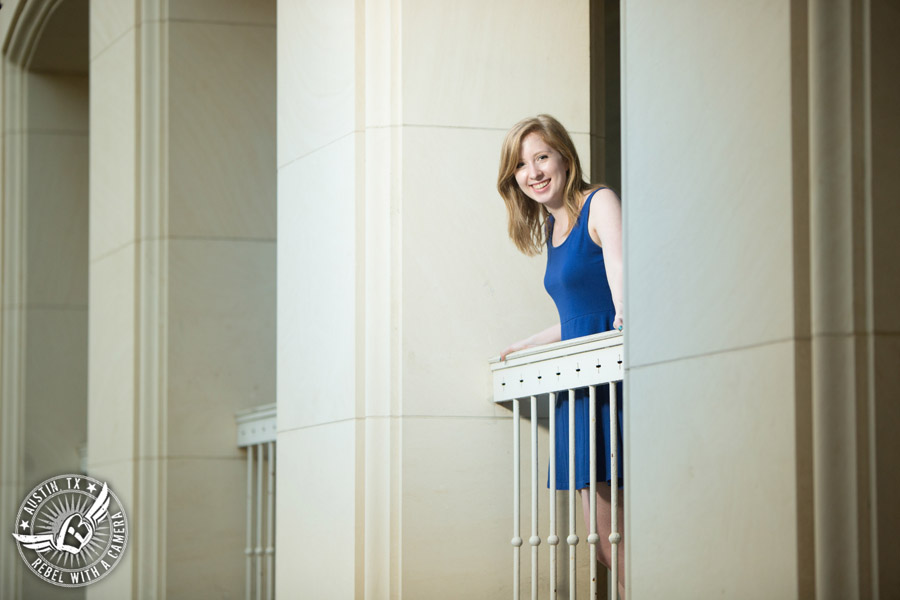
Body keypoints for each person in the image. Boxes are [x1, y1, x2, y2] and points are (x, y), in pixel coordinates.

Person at [497, 114, 625, 598]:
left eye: (541, 157)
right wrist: (532, 344)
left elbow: (619, 286)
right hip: (576, 387)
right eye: (521, 166)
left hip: (605, 382)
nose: (533, 172)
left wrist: (625, 326)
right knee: (601, 543)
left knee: (617, 540)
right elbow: (580, 313)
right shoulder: (553, 227)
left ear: (565, 157)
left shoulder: (599, 202)